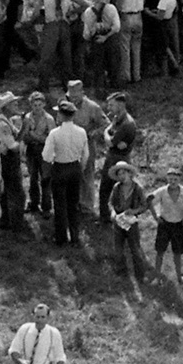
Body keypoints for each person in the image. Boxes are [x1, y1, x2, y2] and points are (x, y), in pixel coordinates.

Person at [46, 99, 89, 247]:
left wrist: (53, 159)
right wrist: (80, 167)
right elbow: (86, 154)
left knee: (59, 203)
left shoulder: (54, 133)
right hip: (75, 167)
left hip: (59, 167)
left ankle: (61, 237)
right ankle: (75, 236)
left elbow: (46, 155)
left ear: (61, 115)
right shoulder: (81, 132)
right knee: (73, 203)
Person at [65, 80, 109, 218]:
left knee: (87, 175)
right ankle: (74, 203)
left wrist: (94, 133)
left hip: (86, 145)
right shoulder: (65, 105)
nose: (73, 99)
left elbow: (106, 124)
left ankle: (87, 207)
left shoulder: (92, 107)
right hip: (69, 145)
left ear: (82, 93)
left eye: (76, 96)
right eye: (71, 96)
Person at [36, 0, 77, 92]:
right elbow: (85, 4)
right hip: (64, 24)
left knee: (46, 56)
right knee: (66, 56)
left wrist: (32, 21)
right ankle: (67, 85)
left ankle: (43, 84)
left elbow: (36, 11)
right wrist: (73, 12)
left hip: (51, 25)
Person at [108, 162, 150, 282]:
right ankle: (121, 273)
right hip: (119, 222)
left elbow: (144, 205)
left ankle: (140, 275)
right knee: (118, 249)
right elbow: (110, 203)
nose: (122, 176)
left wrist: (134, 211)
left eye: (124, 173)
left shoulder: (138, 188)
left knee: (135, 249)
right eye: (119, 174)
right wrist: (113, 213)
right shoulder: (117, 187)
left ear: (129, 173)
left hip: (132, 223)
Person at [99, 92, 137, 223]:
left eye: (111, 105)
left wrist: (106, 133)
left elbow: (110, 141)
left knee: (118, 190)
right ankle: (105, 217)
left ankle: (120, 219)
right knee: (105, 188)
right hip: (113, 156)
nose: (109, 108)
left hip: (119, 160)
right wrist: (110, 134)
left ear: (121, 105)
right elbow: (112, 132)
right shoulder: (117, 118)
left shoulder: (126, 123)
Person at [147, 169, 183, 283]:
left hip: (178, 225)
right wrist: (156, 217)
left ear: (180, 179)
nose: (173, 181)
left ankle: (179, 276)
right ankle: (157, 276)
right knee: (160, 251)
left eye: (175, 179)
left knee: (178, 253)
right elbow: (149, 200)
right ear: (167, 179)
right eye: (170, 179)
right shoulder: (162, 191)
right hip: (164, 224)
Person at [0, 94, 26, 234]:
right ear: (6, 107)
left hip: (10, 160)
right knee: (17, 193)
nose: (17, 105)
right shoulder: (1, 124)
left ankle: (4, 220)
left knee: (6, 192)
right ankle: (16, 224)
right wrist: (26, 127)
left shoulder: (7, 121)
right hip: (8, 160)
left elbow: (17, 136)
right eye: (13, 103)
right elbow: (14, 146)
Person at [20, 92, 55, 218]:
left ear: (44, 104)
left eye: (40, 105)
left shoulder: (49, 119)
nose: (37, 108)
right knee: (32, 177)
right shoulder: (27, 118)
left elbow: (51, 138)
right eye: (35, 105)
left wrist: (35, 136)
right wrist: (23, 148)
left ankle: (46, 207)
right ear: (31, 105)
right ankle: (34, 203)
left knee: (45, 178)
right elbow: (24, 134)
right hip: (31, 149)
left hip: (44, 150)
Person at [82, 0, 121, 93]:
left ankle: (100, 89)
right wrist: (106, 36)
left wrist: (89, 40)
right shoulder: (111, 8)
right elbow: (117, 27)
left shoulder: (88, 12)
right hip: (111, 39)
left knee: (98, 66)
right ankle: (115, 89)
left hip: (96, 40)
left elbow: (86, 33)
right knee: (113, 64)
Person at [113, 0, 148, 84]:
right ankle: (137, 75)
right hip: (138, 15)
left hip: (126, 16)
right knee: (136, 47)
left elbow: (120, 4)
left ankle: (126, 75)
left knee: (125, 47)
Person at [145, 0, 183, 75]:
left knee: (163, 48)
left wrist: (148, 12)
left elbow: (159, 17)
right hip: (169, 19)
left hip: (163, 24)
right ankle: (174, 66)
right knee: (167, 46)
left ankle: (167, 70)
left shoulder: (163, 0)